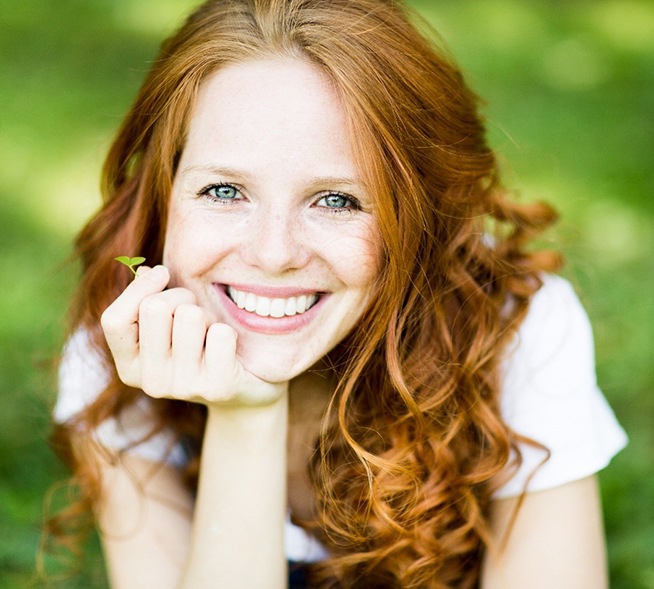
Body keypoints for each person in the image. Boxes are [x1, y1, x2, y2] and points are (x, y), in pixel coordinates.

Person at [49, 0, 627, 587]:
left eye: (337, 200)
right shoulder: (117, 349)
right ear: (163, 193)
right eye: (224, 190)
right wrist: (246, 416)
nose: (274, 255)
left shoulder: (515, 328)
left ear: (416, 215)